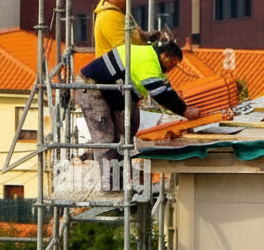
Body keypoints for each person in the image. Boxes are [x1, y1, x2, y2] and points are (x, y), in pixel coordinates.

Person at [77, 39, 201, 191]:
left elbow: (166, 89)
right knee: (106, 139)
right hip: (92, 89)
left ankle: (119, 182)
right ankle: (110, 186)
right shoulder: (148, 62)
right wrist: (184, 111)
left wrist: (183, 107)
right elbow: (159, 93)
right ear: (165, 57)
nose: (172, 69)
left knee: (125, 134)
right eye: (173, 64)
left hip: (111, 92)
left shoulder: (152, 60)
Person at [93, 0, 159, 57]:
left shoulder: (119, 13)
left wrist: (146, 37)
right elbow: (123, 48)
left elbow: (132, 35)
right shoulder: (109, 15)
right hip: (116, 66)